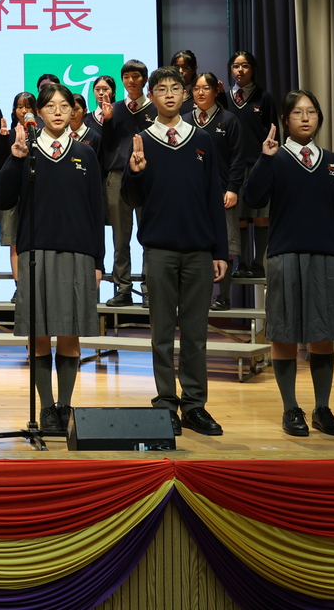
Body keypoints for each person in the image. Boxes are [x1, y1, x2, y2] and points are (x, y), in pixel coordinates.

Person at [0, 83, 106, 432]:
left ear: (74, 112)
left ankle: (65, 406)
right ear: (38, 112)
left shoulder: (85, 153)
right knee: (39, 333)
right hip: (35, 252)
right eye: (50, 106)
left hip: (78, 254)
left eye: (64, 106)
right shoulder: (26, 151)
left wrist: (98, 261)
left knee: (70, 334)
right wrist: (14, 158)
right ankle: (45, 408)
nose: (58, 112)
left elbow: (96, 211)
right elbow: (2, 198)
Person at [242, 91, 334, 437]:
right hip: (284, 256)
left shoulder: (332, 162)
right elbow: (253, 198)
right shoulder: (275, 158)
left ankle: (322, 408)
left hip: (326, 257)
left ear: (319, 118)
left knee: (323, 334)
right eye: (297, 113)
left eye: (311, 112)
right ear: (285, 120)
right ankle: (291, 408)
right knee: (284, 333)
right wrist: (264, 159)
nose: (305, 118)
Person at [123, 68, 228, 437]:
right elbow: (130, 198)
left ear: (185, 95)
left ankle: (195, 405)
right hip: (159, 251)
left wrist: (220, 251)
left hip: (199, 251)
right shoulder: (142, 141)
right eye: (161, 89)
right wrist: (135, 171)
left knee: (196, 334)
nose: (169, 94)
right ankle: (166, 403)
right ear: (151, 96)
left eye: (175, 88)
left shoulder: (202, 141)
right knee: (162, 334)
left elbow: (214, 199)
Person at [186, 72, 248, 311]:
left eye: (206, 88)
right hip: (192, 195)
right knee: (193, 245)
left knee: (226, 244)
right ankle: (193, 297)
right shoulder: (184, 121)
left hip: (222, 193)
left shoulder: (229, 120)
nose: (201, 92)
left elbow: (238, 158)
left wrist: (233, 188)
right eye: (197, 88)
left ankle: (223, 296)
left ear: (215, 91)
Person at [101, 60, 156, 306]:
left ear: (144, 80)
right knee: (120, 238)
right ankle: (123, 289)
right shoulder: (113, 109)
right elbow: (106, 146)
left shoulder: (155, 108)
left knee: (149, 235)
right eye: (126, 77)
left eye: (136, 76)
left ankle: (149, 288)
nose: (131, 81)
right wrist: (107, 121)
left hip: (147, 176)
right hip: (117, 176)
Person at [228, 51, 276, 279]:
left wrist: (270, 162)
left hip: (259, 165)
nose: (240, 70)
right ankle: (241, 264)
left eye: (245, 65)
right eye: (236, 66)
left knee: (260, 215)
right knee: (238, 217)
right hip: (234, 166)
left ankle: (258, 263)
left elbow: (274, 133)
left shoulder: (264, 97)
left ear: (253, 69)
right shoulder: (225, 98)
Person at [0, 91, 37, 298]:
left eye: (28, 107)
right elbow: (0, 166)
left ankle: (35, 285)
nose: (24, 111)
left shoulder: (41, 134)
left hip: (34, 193)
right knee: (14, 241)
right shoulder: (7, 133)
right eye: (20, 107)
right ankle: (19, 286)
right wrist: (3, 140)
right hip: (12, 193)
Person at [85, 74, 117, 146]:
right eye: (97, 89)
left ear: (113, 93)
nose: (101, 93)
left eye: (105, 89)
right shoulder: (86, 119)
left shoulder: (120, 115)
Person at [171, 49, 199, 115]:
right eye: (176, 67)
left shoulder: (199, 93)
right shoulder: (166, 93)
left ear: (194, 69)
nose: (180, 71)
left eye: (185, 67)